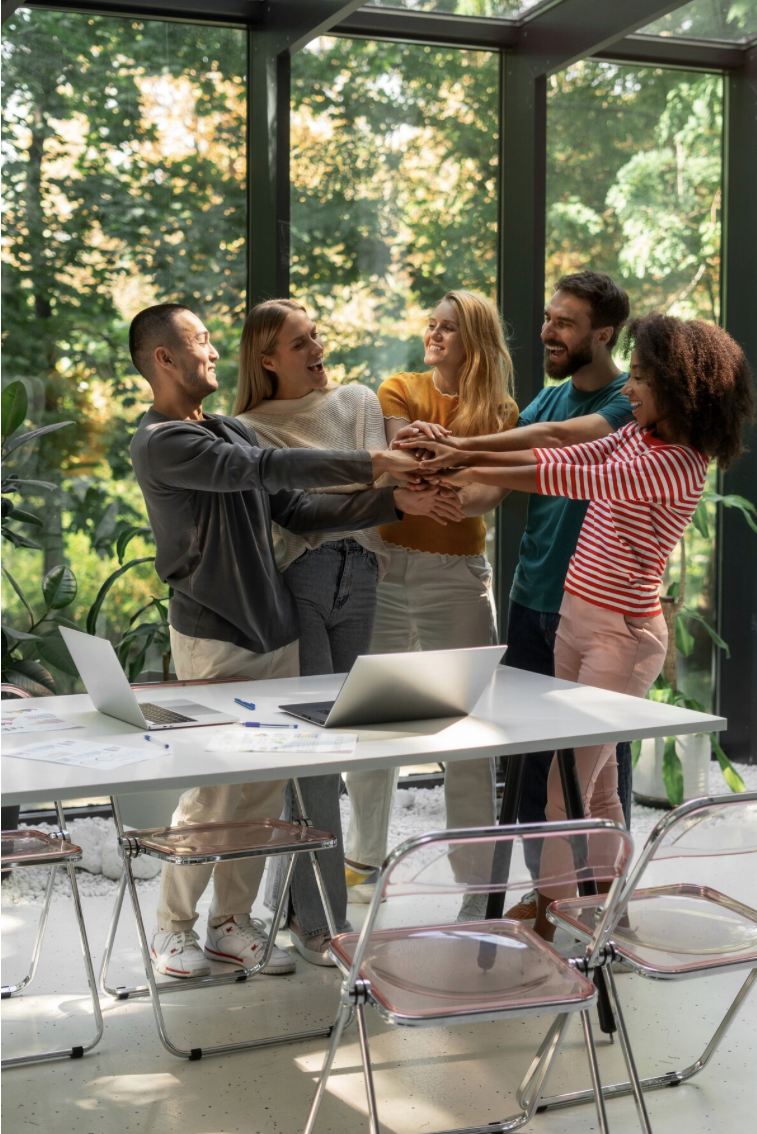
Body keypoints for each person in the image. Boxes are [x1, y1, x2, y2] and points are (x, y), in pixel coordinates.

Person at [415, 312, 755, 935]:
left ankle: (548, 910)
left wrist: (456, 463)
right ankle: (604, 906)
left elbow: (569, 476)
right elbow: (566, 448)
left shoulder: (676, 461)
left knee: (561, 787)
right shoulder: (639, 436)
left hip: (619, 642)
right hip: (577, 620)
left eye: (644, 379)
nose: (629, 388)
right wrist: (461, 449)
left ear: (681, 388)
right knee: (594, 792)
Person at [128, 302, 430, 979]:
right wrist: (374, 463)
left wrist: (393, 503)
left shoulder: (227, 427)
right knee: (216, 791)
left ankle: (230, 923)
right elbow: (263, 474)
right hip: (215, 634)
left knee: (264, 790)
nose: (212, 352)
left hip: (276, 628)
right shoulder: (161, 442)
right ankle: (171, 926)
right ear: (163, 360)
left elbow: (295, 508)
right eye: (200, 341)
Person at [395, 270, 634, 917]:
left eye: (565, 323)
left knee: (593, 770)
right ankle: (552, 897)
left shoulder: (626, 400)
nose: (548, 331)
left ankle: (592, 897)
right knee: (531, 768)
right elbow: (511, 460)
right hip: (533, 600)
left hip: (596, 609)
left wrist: (460, 450)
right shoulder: (550, 398)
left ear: (604, 334)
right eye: (549, 318)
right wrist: (451, 473)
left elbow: (552, 445)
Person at [233, 299, 460, 964]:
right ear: (267, 359)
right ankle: (323, 923)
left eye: (316, 336)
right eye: (299, 343)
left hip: (361, 573)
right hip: (300, 578)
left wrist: (407, 462)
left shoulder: (358, 399)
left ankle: (294, 908)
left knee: (339, 745)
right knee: (313, 752)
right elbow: (304, 516)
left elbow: (375, 472)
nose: (316, 349)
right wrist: (380, 485)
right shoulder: (247, 429)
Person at [342, 291, 518, 917]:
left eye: (448, 328)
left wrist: (445, 493)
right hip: (387, 572)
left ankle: (478, 885)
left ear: (475, 339)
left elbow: (489, 492)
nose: (434, 335)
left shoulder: (501, 410)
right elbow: (398, 467)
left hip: (457, 573)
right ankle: (361, 866)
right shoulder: (400, 388)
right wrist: (449, 483)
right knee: (373, 722)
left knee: (469, 728)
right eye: (431, 325)